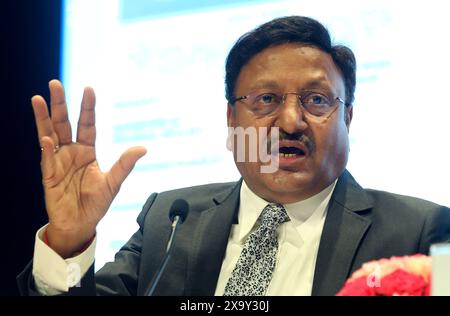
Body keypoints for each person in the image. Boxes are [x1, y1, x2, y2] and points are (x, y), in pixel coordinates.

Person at [18, 16, 450, 296]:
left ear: (348, 118)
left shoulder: (420, 230)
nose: (291, 121)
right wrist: (70, 242)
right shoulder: (170, 221)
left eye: (317, 100)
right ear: (231, 117)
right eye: (265, 99)